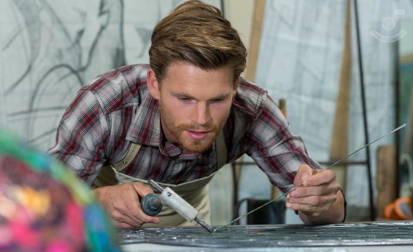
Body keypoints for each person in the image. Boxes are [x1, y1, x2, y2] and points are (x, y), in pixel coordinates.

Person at [49, 0, 345, 229]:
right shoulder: (105, 105)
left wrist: (321, 201)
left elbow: (330, 214)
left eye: (217, 99)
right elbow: (39, 209)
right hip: (100, 235)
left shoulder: (252, 111)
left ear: (236, 87)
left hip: (190, 236)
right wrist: (95, 204)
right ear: (155, 84)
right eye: (185, 98)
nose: (201, 119)